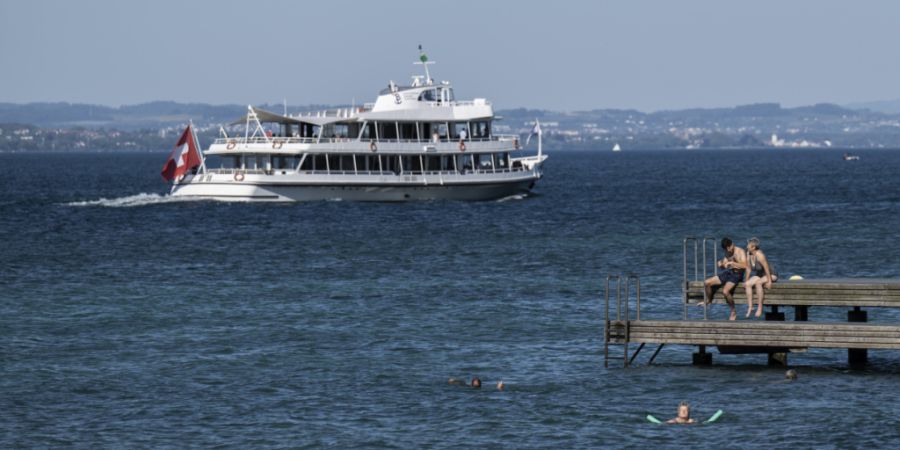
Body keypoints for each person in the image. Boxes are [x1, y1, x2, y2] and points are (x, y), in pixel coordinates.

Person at [703, 237, 749, 320]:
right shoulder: (727, 252)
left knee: (725, 291)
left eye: (729, 248)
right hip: (728, 273)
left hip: (737, 275)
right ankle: (709, 301)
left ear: (732, 244)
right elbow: (724, 266)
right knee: (707, 282)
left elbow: (745, 266)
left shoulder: (740, 251)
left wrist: (732, 262)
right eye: (726, 249)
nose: (728, 251)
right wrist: (721, 264)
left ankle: (733, 311)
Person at [744, 237, 778, 318]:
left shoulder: (760, 255)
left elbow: (766, 268)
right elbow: (748, 269)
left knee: (758, 283)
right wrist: (746, 280)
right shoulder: (748, 254)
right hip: (760, 274)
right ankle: (750, 307)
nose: (747, 246)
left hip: (771, 274)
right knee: (747, 284)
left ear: (753, 247)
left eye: (748, 245)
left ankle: (760, 308)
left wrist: (769, 281)